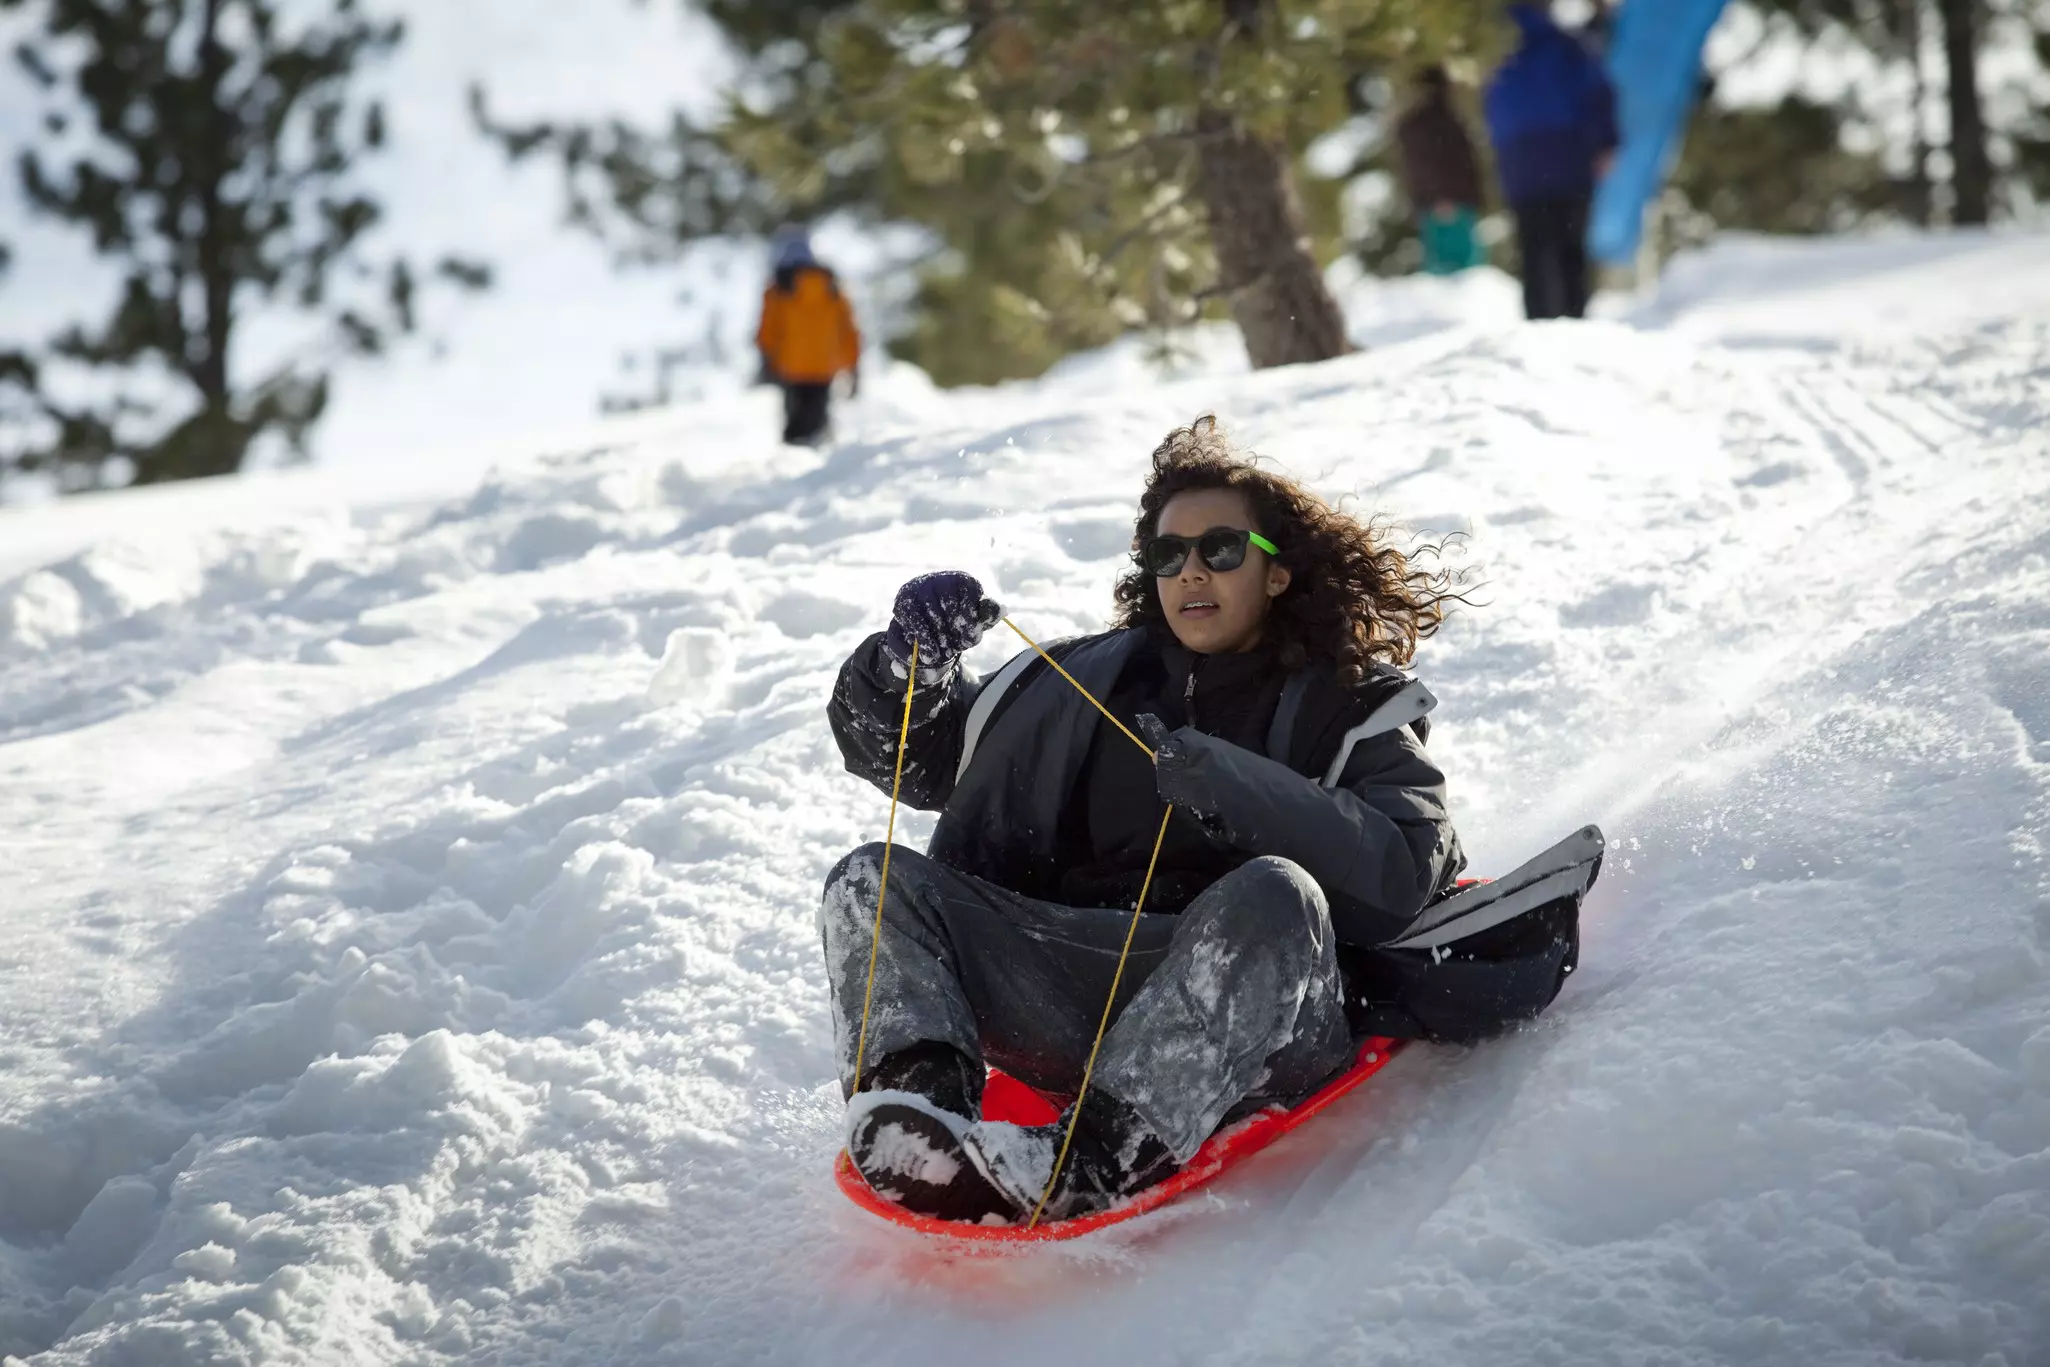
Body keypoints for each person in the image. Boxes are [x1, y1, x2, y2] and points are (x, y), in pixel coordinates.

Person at [816, 416, 1571, 1226]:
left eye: (1221, 549)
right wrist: (908, 668)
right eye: (1168, 554)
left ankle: (1088, 1161)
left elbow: (1401, 870)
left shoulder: (1347, 704)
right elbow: (922, 760)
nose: (1191, 571)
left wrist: (1235, 783)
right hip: (1080, 988)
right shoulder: (1082, 676)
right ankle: (916, 1119)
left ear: (1277, 573)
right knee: (873, 877)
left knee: (1276, 891)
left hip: (1261, 1012)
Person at [1483, 3, 1619, 320]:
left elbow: (1493, 110)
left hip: (1521, 162)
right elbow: (1598, 93)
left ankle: (1539, 321)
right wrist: (1606, 142)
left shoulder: (1496, 51)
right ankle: (1573, 319)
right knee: (1570, 246)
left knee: (1534, 249)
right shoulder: (1567, 45)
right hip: (1568, 157)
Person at [754, 226, 861, 446]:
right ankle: (822, 463)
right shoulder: (832, 287)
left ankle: (797, 467)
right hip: (825, 367)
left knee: (795, 428)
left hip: (790, 368)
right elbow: (849, 330)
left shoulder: (778, 290)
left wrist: (766, 361)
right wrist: (853, 366)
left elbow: (768, 331)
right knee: (818, 421)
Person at [1394, 65, 1487, 276]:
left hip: (1439, 202)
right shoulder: (1437, 123)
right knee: (1461, 272)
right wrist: (1443, 197)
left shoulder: (1416, 124)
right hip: (1449, 203)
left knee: (1455, 273)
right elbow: (1435, 165)